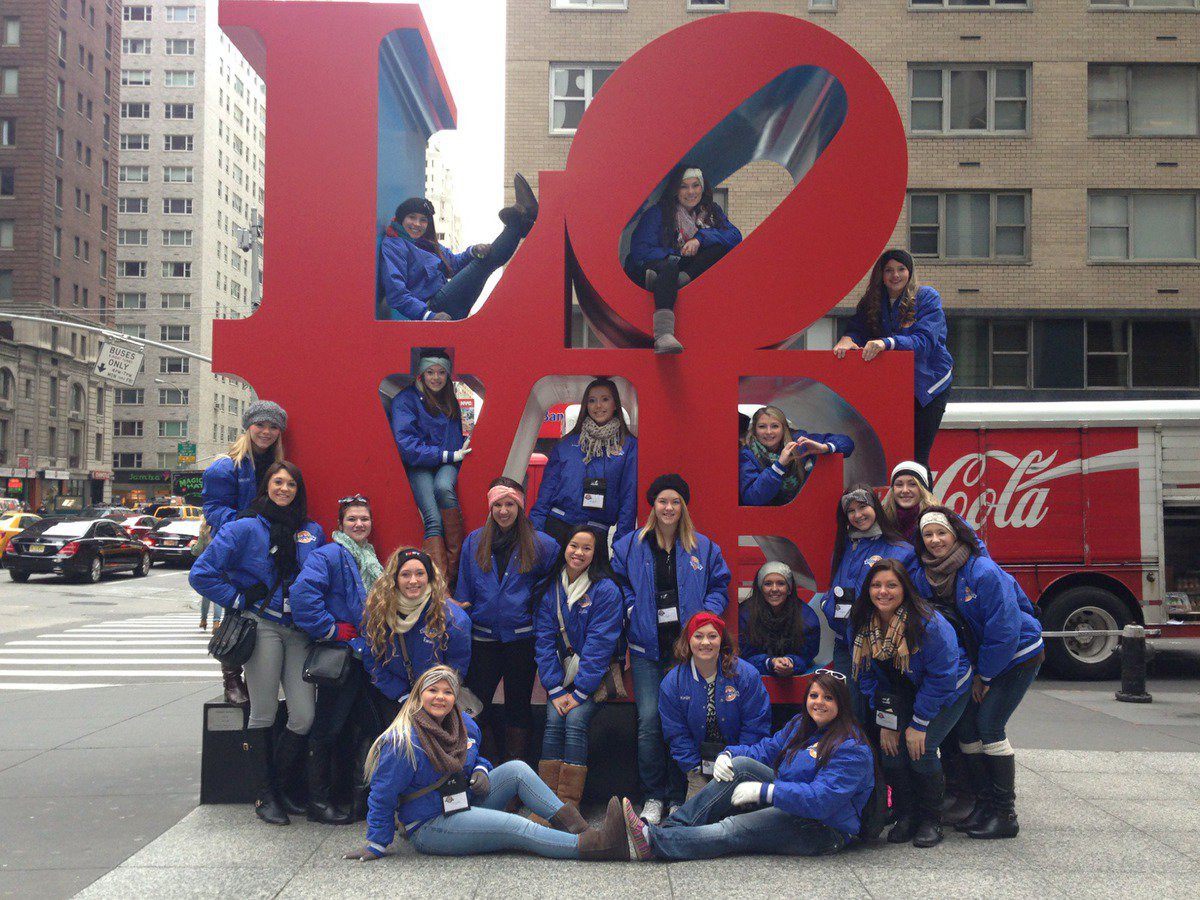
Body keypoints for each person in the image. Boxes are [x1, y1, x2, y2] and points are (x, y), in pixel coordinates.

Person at [343, 667, 629, 861]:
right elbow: (382, 794)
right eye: (433, 691)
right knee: (516, 827)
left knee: (516, 769)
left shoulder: (463, 724)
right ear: (419, 695)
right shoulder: (403, 741)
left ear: (455, 698)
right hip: (431, 825)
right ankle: (597, 846)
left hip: (461, 801)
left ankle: (579, 828)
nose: (440, 697)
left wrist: (481, 770)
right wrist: (377, 844)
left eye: (447, 692)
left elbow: (475, 758)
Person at [190, 461, 326, 826]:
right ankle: (265, 795)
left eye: (291, 484)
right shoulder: (246, 526)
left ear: (299, 490)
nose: (284, 489)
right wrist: (237, 599)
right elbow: (201, 573)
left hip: (299, 630)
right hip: (262, 625)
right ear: (266, 486)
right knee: (263, 711)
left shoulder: (311, 530)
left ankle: (279, 787)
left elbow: (322, 579)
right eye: (277, 482)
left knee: (303, 714)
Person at [620, 670, 875, 861]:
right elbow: (765, 750)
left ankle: (652, 841)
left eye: (828, 698)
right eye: (814, 695)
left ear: (842, 704)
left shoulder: (852, 748)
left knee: (735, 828)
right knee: (740, 765)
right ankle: (672, 828)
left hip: (824, 827)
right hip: (789, 800)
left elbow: (822, 800)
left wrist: (766, 792)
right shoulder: (801, 725)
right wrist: (728, 754)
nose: (819, 703)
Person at [914, 506, 1043, 839]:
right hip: (982, 660)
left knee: (989, 725)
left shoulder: (982, 570)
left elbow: (1005, 628)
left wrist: (983, 677)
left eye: (941, 532)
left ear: (956, 534)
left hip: (1018, 654)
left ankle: (1005, 814)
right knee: (968, 728)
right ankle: (983, 806)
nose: (935, 540)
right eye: (928, 534)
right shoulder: (928, 573)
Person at [612, 474, 731, 824]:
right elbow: (618, 584)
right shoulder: (630, 545)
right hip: (647, 649)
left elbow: (720, 585)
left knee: (684, 723)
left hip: (686, 652)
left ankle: (679, 796)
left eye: (675, 502)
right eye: (663, 501)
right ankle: (652, 796)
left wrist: (705, 616)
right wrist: (633, 609)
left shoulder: (703, 547)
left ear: (684, 506)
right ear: (653, 505)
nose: (668, 508)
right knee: (649, 721)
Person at [849, 558, 971, 848]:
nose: (883, 592)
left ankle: (931, 819)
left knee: (922, 747)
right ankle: (906, 814)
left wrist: (919, 722)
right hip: (899, 692)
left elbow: (942, 678)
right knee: (890, 748)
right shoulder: (863, 622)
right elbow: (865, 675)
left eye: (892, 585)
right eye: (876, 585)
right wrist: (886, 719)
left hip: (946, 689)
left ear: (905, 589)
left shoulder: (929, 625)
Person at [290, 494, 386, 825]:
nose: (359, 524)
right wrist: (330, 629)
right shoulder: (329, 554)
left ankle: (360, 799)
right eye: (352, 519)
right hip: (340, 660)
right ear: (340, 525)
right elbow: (301, 596)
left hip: (365, 657)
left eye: (364, 519)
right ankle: (317, 802)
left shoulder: (369, 557)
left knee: (367, 727)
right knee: (327, 729)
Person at [457, 477, 558, 764]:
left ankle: (515, 774)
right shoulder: (474, 541)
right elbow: (464, 590)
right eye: (498, 505)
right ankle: (486, 767)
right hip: (483, 638)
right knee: (476, 706)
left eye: (510, 504)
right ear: (490, 507)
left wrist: (534, 608)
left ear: (520, 506)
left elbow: (554, 586)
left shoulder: (543, 544)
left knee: (518, 706)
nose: (503, 511)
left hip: (522, 640)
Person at [200, 399, 287, 704]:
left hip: (269, 544)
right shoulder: (227, 465)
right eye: (260, 425)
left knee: (261, 609)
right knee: (235, 611)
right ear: (248, 427)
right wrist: (241, 521)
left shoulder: (278, 463)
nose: (266, 431)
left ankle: (258, 676)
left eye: (273, 426)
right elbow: (212, 509)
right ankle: (231, 677)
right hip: (238, 546)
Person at [532, 525, 623, 815]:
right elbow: (544, 641)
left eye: (587, 548)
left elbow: (601, 644)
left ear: (596, 555)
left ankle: (568, 806)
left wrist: (581, 691)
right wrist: (556, 689)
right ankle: (546, 804)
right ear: (564, 547)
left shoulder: (606, 590)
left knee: (574, 722)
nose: (578, 553)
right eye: (574, 546)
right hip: (559, 680)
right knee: (552, 720)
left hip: (591, 681)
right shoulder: (551, 589)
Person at [834, 249, 953, 466]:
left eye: (901, 269)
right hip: (895, 386)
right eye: (888, 270)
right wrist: (847, 339)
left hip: (929, 386)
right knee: (892, 456)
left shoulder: (926, 297)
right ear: (880, 274)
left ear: (910, 272)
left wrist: (887, 343)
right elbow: (858, 328)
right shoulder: (872, 300)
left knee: (917, 459)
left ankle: (924, 501)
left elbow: (924, 342)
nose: (895, 275)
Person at [378, 175, 537, 321]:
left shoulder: (425, 243)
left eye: (423, 220)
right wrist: (428, 315)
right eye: (412, 217)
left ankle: (519, 224)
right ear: (401, 218)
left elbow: (452, 264)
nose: (417, 224)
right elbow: (396, 295)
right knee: (484, 264)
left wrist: (472, 251)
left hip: (445, 299)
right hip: (434, 306)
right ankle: (520, 219)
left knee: (485, 261)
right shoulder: (393, 245)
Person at [627, 164, 742, 353]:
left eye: (695, 185)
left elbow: (735, 236)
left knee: (719, 247)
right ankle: (664, 335)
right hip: (655, 265)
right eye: (684, 186)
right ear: (675, 190)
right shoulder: (659, 213)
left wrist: (700, 239)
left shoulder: (711, 211)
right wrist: (675, 255)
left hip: (685, 269)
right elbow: (640, 250)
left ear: (703, 187)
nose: (691, 192)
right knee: (670, 268)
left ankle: (677, 281)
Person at [659, 612, 771, 801]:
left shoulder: (746, 675)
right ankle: (651, 830)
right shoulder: (673, 682)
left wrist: (739, 763)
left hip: (738, 762)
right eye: (698, 636)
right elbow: (676, 734)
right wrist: (694, 772)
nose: (705, 642)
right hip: (696, 766)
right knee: (696, 818)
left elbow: (756, 725)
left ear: (722, 640)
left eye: (712, 636)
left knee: (738, 819)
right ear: (688, 640)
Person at [359, 546, 472, 716]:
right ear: (394, 579)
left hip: (436, 703)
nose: (413, 581)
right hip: (395, 700)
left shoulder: (453, 619)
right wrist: (400, 694)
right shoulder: (378, 613)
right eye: (405, 574)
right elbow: (372, 659)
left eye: (420, 573)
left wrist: (433, 697)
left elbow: (456, 668)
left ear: (430, 577)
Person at [824, 485, 918, 686]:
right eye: (850, 510)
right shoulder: (845, 545)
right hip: (844, 643)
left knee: (882, 709)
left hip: (881, 647)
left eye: (862, 506)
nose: (857, 515)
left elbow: (914, 601)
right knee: (848, 710)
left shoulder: (902, 551)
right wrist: (827, 604)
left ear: (875, 506)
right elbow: (834, 585)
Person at [529, 378, 638, 545]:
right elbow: (546, 492)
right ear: (586, 405)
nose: (598, 406)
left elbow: (629, 498)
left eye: (605, 399)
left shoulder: (628, 446)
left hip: (596, 531)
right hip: (557, 526)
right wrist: (536, 532)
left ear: (615, 404)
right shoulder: (565, 444)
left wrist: (622, 546)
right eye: (592, 400)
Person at [390, 351, 468, 582]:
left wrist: (453, 454)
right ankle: (440, 585)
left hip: (446, 460)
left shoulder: (448, 397)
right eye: (430, 372)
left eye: (442, 372)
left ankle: (453, 575)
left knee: (444, 488)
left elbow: (453, 437)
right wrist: (446, 455)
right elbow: (407, 446)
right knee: (433, 518)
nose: (436, 377)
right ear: (421, 374)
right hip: (422, 463)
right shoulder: (405, 400)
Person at [738, 406, 854, 506]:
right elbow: (751, 497)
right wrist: (778, 467)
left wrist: (826, 447)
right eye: (762, 426)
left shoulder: (798, 442)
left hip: (803, 511)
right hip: (766, 519)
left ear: (784, 429)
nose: (769, 432)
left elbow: (847, 443)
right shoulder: (747, 454)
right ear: (754, 430)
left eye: (775, 426)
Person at [738, 561, 821, 678]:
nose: (774, 589)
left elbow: (807, 655)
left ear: (789, 588)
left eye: (781, 583)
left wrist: (791, 662)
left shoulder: (807, 617)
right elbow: (743, 655)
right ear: (760, 588)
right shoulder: (744, 614)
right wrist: (770, 663)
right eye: (768, 584)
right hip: (754, 678)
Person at [880, 460, 939, 544]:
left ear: (923, 489)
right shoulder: (881, 519)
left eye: (912, 484)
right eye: (899, 485)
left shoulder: (940, 518)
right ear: (892, 490)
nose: (905, 490)